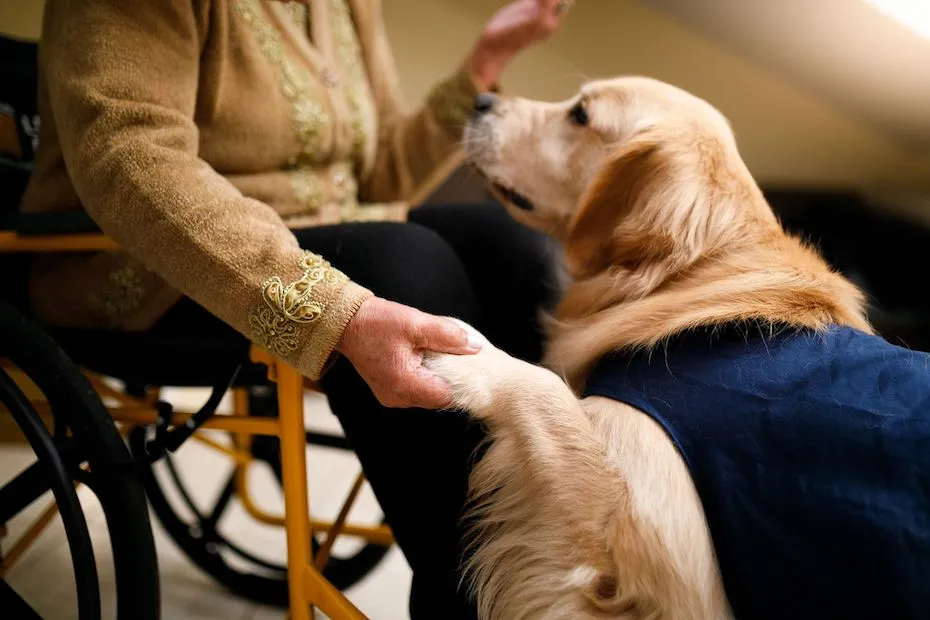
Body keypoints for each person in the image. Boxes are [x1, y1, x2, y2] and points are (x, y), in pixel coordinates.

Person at [19, 0, 571, 616]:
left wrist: (486, 60)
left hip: (329, 229)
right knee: (406, 266)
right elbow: (127, 157)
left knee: (521, 255)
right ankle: (470, 597)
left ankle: (556, 555)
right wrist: (335, 310)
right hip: (142, 262)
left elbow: (380, 176)